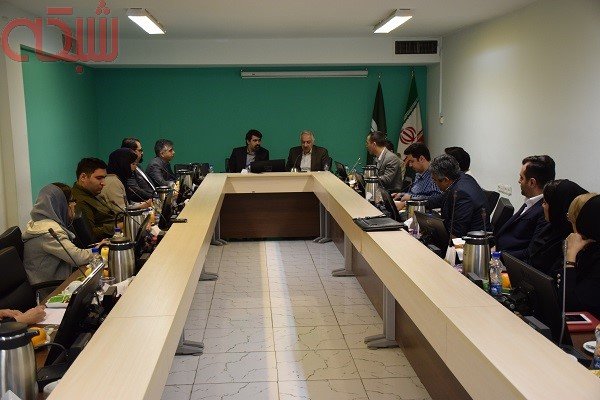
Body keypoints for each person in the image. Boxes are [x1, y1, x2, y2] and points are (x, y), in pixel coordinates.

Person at [23, 183, 95, 284]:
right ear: (62, 204)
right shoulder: (49, 232)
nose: (74, 204)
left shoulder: (40, 222)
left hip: (58, 279)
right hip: (51, 288)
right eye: (72, 201)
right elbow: (78, 258)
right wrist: (101, 249)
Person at [495, 155, 555, 261]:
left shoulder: (545, 211)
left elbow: (530, 253)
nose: (519, 181)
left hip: (507, 264)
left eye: (521, 178)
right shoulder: (531, 200)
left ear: (532, 182)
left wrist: (497, 255)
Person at [527, 179, 587, 275]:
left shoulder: (575, 242)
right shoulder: (550, 226)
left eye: (545, 202)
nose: (542, 206)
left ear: (557, 207)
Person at [427, 154, 489, 238]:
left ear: (445, 180)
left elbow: (456, 233)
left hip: (471, 241)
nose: (434, 183)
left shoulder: (461, 193)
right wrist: (420, 202)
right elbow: (441, 199)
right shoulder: (461, 177)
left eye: (434, 180)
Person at [564, 193, 600, 318]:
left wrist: (570, 257)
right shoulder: (587, 248)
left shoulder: (594, 256)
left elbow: (569, 305)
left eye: (572, 219)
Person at [72, 158, 121, 241]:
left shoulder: (93, 193)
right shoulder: (78, 201)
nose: (104, 183)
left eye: (104, 178)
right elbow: (91, 234)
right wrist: (120, 226)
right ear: (83, 177)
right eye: (99, 178)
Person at [100, 148, 152, 213]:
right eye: (133, 164)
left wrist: (141, 205)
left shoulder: (117, 179)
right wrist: (141, 206)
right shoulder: (113, 182)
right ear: (123, 164)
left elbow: (125, 206)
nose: (135, 167)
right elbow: (121, 212)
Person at [393, 143, 441, 209]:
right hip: (412, 208)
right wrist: (401, 195)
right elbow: (415, 193)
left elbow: (437, 200)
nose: (410, 165)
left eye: (412, 161)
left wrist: (411, 198)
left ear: (421, 159)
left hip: (422, 212)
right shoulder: (419, 173)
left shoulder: (434, 175)